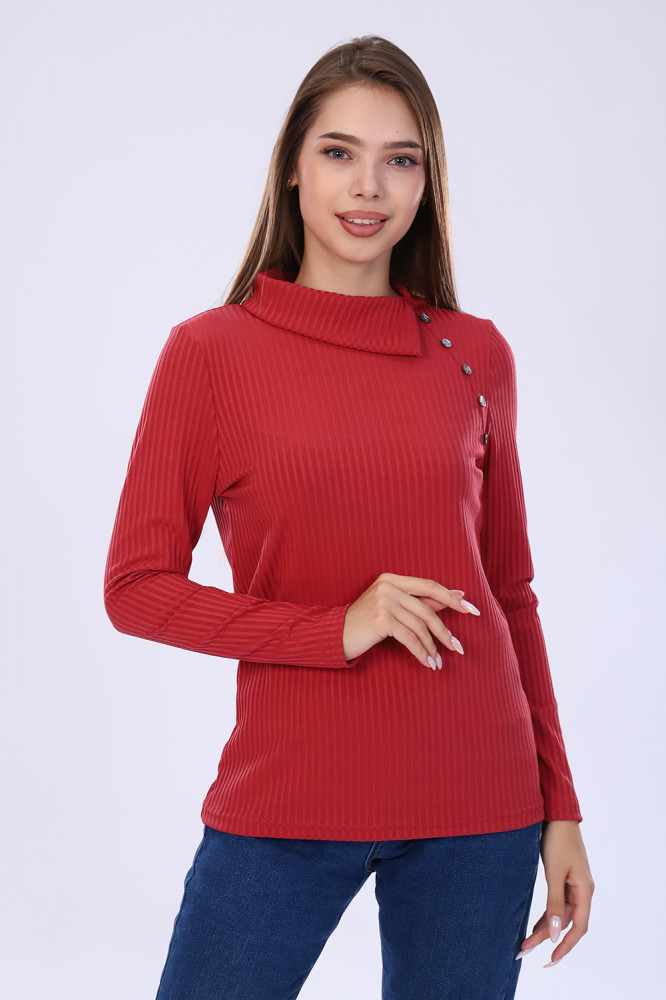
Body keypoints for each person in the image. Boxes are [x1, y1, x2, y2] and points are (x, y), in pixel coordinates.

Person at [103, 34, 594, 1000]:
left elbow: (511, 594)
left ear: (426, 181)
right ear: (292, 167)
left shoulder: (475, 354)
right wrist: (334, 629)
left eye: (399, 159)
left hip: (480, 800)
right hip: (288, 794)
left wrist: (560, 805)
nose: (368, 187)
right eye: (339, 152)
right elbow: (136, 589)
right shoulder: (210, 354)